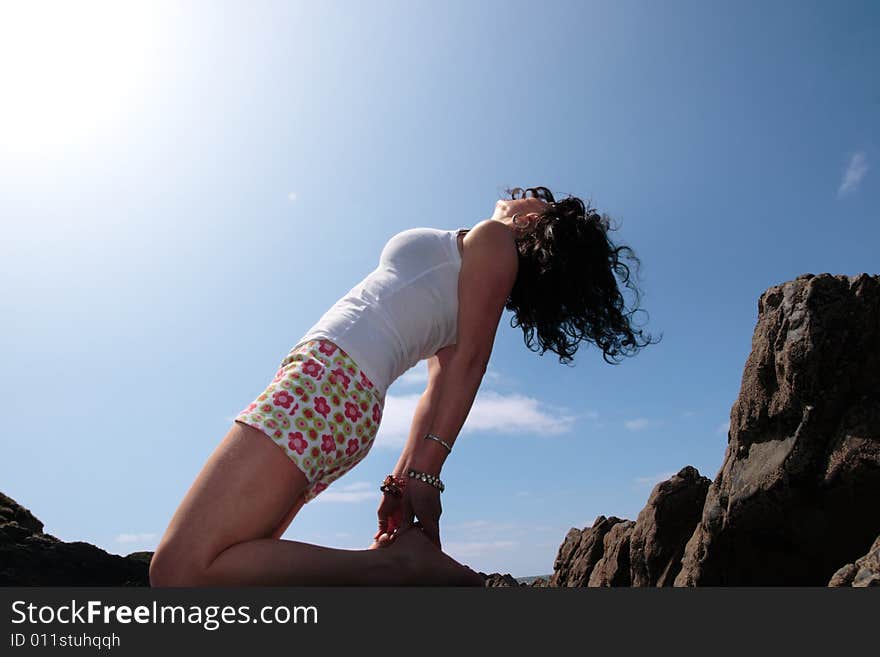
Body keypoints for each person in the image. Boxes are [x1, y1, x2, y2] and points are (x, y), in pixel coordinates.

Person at [149, 186, 656, 586]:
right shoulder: (472, 273)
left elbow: (470, 366)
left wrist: (427, 475)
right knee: (227, 576)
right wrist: (401, 483)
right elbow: (439, 386)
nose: (522, 191)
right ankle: (397, 568)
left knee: (180, 572)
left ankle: (394, 570)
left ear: (533, 223)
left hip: (326, 386)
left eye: (538, 198)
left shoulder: (495, 240)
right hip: (337, 401)